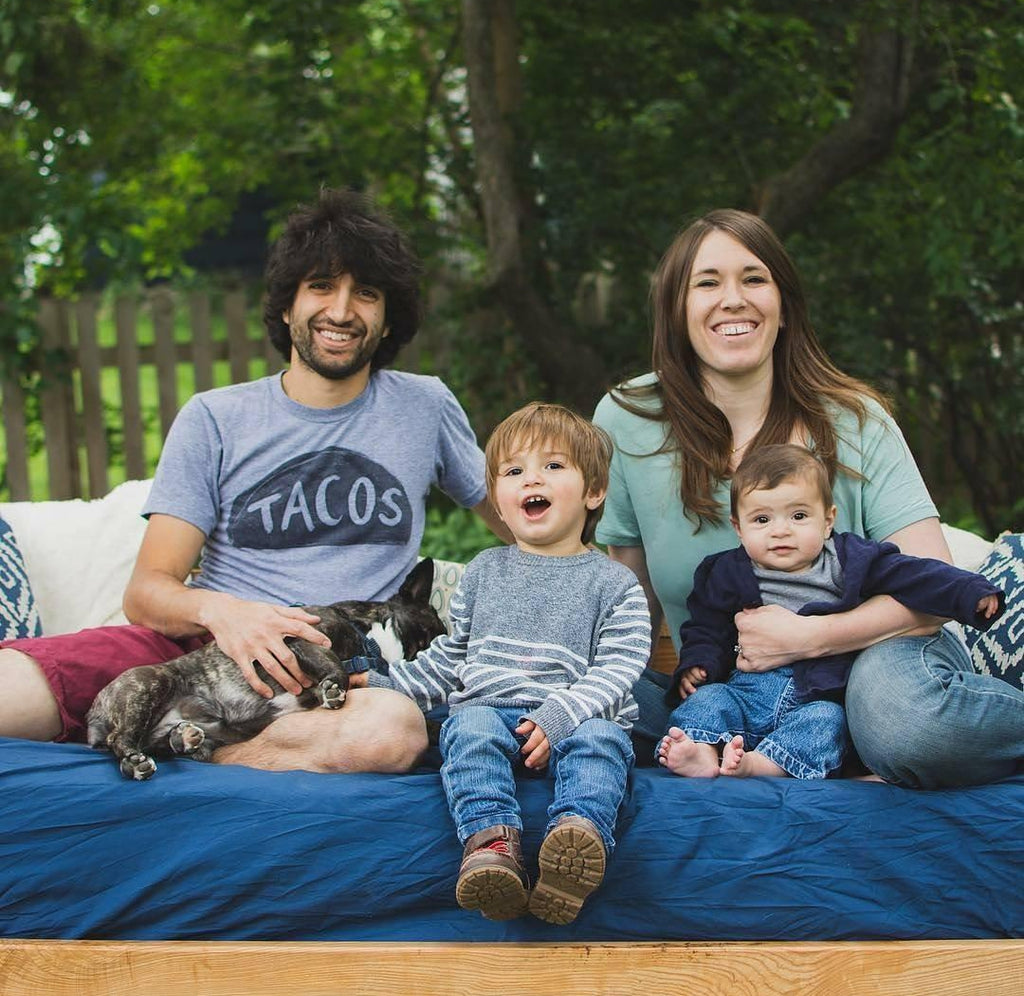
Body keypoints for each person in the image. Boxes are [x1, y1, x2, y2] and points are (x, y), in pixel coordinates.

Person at [0, 188, 509, 773]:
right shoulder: (216, 417)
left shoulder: (425, 406)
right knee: (10, 691)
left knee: (392, 732)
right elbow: (147, 591)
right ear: (287, 306)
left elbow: (521, 519)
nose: (342, 311)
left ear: (388, 316)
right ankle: (194, 732)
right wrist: (229, 615)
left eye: (365, 293)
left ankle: (214, 752)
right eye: (321, 286)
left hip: (342, 667)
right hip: (199, 657)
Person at [593, 207, 1024, 789]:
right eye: (707, 282)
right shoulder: (629, 420)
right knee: (562, 710)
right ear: (676, 308)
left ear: (784, 303)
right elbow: (630, 600)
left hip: (875, 662)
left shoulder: (855, 419)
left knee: (904, 727)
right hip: (732, 691)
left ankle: (866, 748)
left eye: (753, 278)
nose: (733, 299)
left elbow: (934, 584)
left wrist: (812, 636)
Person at [348, 403, 651, 923]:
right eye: (514, 471)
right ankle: (492, 845)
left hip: (576, 718)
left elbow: (620, 667)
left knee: (605, 743)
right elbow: (450, 661)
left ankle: (576, 839)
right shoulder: (484, 571)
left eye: (554, 466)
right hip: (492, 710)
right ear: (501, 503)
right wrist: (385, 684)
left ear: (594, 492)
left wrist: (562, 716)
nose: (532, 477)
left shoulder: (613, 583)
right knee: (465, 729)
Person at [657, 444, 1004, 780]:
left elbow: (917, 576)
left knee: (829, 724)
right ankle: (699, 750)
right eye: (761, 519)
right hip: (748, 692)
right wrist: (698, 664)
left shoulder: (851, 560)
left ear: (827, 520)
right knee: (711, 699)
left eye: (798, 516)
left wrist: (969, 592)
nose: (781, 530)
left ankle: (760, 765)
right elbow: (706, 627)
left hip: (818, 695)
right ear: (738, 527)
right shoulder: (725, 573)